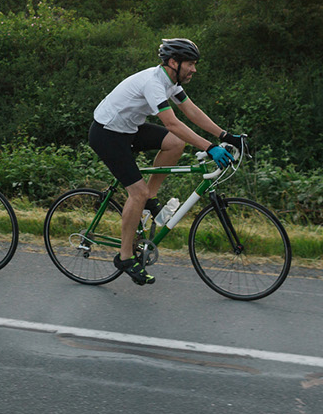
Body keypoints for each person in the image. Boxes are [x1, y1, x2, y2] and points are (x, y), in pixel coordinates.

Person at [88, 38, 245, 286]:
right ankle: (125, 257)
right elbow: (172, 123)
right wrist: (209, 147)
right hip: (107, 133)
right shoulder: (154, 83)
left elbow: (191, 110)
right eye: (190, 64)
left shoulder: (171, 81)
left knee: (174, 143)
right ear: (174, 62)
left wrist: (224, 135)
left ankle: (150, 200)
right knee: (136, 193)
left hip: (129, 129)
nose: (194, 69)